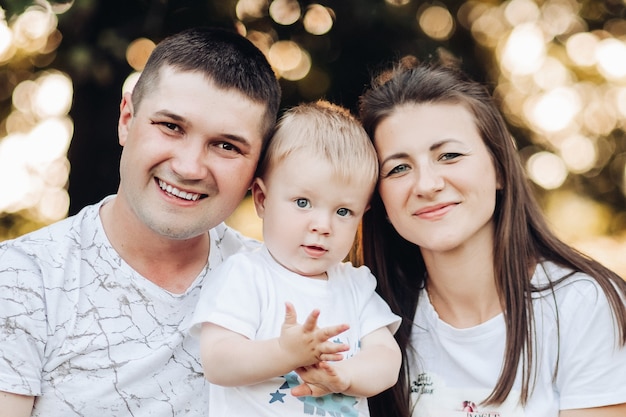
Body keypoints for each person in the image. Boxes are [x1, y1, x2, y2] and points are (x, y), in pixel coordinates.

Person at [0, 27, 281, 417]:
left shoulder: (279, 284)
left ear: (257, 170)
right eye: (171, 126)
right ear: (127, 119)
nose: (188, 167)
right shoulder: (21, 277)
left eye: (226, 146)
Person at [355, 57, 626, 417]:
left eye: (449, 155)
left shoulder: (582, 305)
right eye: (399, 168)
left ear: (499, 168)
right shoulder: (368, 317)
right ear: (378, 197)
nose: (426, 184)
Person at [189, 100, 402, 416]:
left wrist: (345, 377)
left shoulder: (355, 285)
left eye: (343, 211)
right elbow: (218, 361)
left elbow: (386, 358)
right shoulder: (245, 275)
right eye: (303, 202)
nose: (323, 225)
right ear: (262, 199)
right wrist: (284, 352)